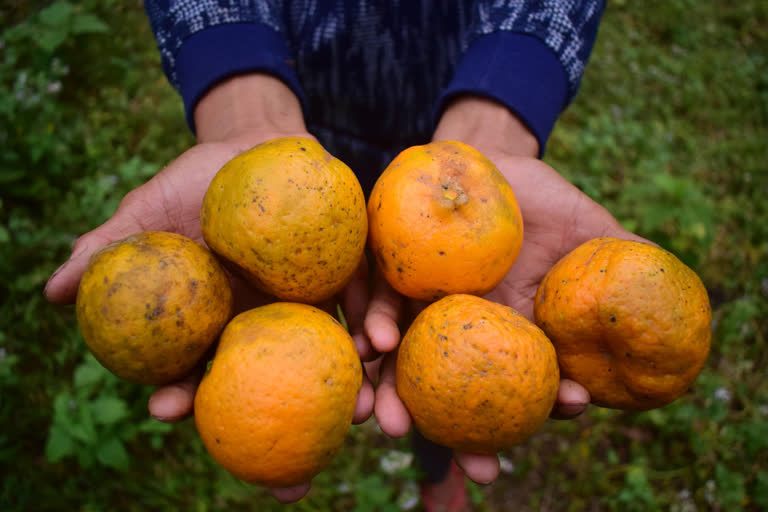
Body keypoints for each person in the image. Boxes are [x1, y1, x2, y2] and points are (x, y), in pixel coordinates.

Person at [44, 1, 650, 509]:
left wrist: (503, 103)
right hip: (294, 126)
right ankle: (438, 464)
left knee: (442, 355)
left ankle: (437, 466)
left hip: (450, 109)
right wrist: (243, 104)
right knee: (415, 349)